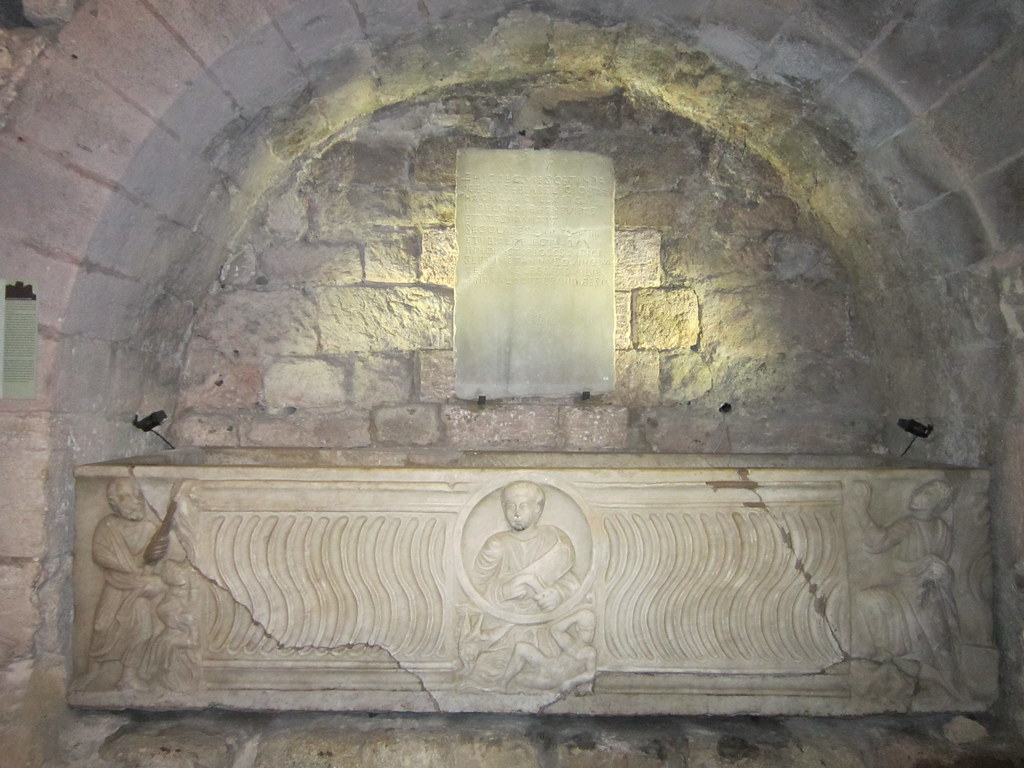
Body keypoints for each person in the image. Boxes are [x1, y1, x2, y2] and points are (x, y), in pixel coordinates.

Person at [857, 479, 961, 696]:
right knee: (870, 600)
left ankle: (948, 683)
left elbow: (945, 569)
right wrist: (861, 509)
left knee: (939, 645)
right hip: (903, 592)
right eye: (920, 489)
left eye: (926, 493)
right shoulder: (908, 524)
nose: (917, 494)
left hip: (929, 595)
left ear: (937, 504)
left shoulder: (942, 530)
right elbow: (878, 542)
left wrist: (941, 573)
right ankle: (890, 656)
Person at [83, 477, 164, 690]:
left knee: (144, 631)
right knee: (102, 626)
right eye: (127, 497)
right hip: (116, 584)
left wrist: (151, 567)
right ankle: (92, 672)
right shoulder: (108, 526)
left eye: (138, 495)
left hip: (138, 588)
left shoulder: (149, 528)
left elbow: (155, 560)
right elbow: (99, 554)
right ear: (114, 503)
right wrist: (127, 567)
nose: (135, 501)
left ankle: (128, 677)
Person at [472, 481, 580, 615]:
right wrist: (502, 592)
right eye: (511, 506)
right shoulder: (496, 544)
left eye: (523, 506)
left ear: (538, 509)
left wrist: (559, 595)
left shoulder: (554, 540)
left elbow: (571, 583)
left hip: (546, 621)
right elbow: (475, 588)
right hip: (504, 618)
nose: (516, 513)